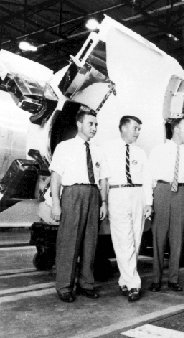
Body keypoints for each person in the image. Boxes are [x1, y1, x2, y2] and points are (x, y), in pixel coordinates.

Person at [50, 107, 108, 303]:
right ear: (79, 124)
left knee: (90, 242)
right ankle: (64, 286)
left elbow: (103, 180)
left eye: (96, 125)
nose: (94, 128)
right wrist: (56, 204)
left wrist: (103, 203)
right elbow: (56, 177)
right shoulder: (64, 147)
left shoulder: (99, 150)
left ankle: (86, 284)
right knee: (69, 240)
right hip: (72, 194)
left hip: (93, 195)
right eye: (91, 124)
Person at [102, 116, 153, 302]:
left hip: (138, 194)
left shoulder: (141, 153)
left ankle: (124, 278)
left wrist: (149, 202)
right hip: (117, 194)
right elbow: (104, 178)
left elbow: (147, 178)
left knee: (136, 239)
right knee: (123, 240)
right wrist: (104, 201)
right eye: (135, 128)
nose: (138, 132)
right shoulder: (107, 149)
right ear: (123, 127)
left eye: (140, 129)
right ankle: (134, 283)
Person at [149, 117, 184, 292]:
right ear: (176, 129)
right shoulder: (159, 150)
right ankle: (156, 279)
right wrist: (149, 201)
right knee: (159, 236)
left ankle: (173, 279)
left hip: (181, 193)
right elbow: (149, 176)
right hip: (162, 190)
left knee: (177, 237)